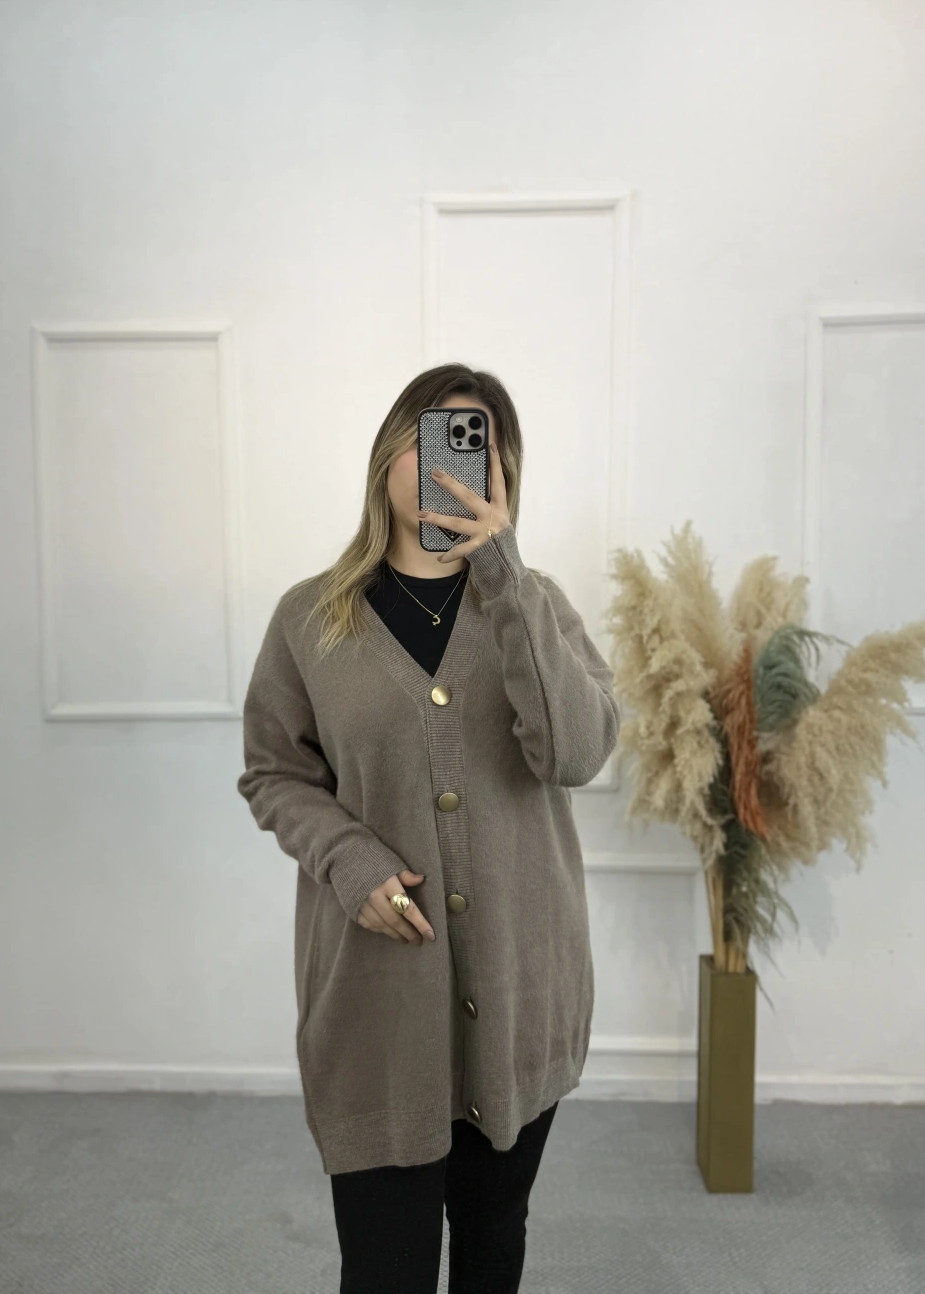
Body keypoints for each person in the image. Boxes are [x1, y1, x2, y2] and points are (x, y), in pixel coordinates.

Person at [237, 362, 621, 1292]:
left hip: (521, 988)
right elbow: (274, 771)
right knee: (385, 1268)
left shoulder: (537, 604)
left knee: (493, 1248)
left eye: (473, 445)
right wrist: (348, 856)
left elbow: (576, 752)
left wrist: (505, 572)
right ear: (387, 456)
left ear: (501, 473)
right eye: (428, 437)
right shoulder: (310, 619)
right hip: (379, 1001)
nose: (445, 463)